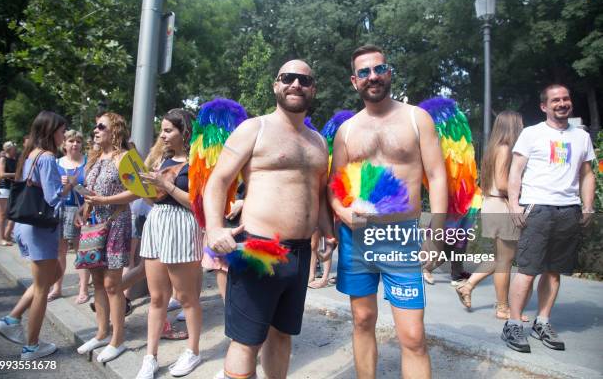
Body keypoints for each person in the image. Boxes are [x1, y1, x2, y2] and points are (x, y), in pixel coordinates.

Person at [205, 59, 334, 379]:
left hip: (301, 252)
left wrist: (328, 233)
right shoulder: (254, 128)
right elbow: (218, 182)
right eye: (288, 78)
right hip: (259, 248)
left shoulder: (318, 141)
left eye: (304, 80)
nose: (296, 85)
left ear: (313, 89)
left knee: (281, 334)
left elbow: (317, 195)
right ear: (276, 84)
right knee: (247, 341)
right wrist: (213, 228)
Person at [328, 45, 447, 379]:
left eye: (379, 69)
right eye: (364, 72)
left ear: (389, 72)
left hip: (402, 237)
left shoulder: (415, 118)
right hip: (357, 237)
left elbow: (437, 177)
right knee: (363, 320)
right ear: (355, 81)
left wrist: (436, 237)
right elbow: (334, 187)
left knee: (412, 336)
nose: (373, 77)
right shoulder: (347, 130)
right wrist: (341, 212)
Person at [502, 84, 596, 353]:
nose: (562, 103)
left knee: (554, 271)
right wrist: (514, 205)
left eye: (566, 99)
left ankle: (542, 322)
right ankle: (513, 325)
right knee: (528, 271)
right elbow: (515, 172)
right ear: (544, 106)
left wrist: (587, 207)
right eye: (556, 100)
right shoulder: (531, 134)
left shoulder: (581, 137)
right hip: (538, 209)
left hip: (569, 210)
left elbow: (587, 173)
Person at [0, 111, 68, 360]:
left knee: (52, 276)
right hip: (40, 228)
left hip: (28, 226)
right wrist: (69, 184)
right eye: (61, 130)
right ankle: (32, 346)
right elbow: (53, 198)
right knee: (42, 289)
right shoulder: (47, 158)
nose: (64, 135)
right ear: (50, 131)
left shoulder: (30, 156)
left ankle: (11, 319)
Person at [135, 108, 204, 378]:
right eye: (162, 130)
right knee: (157, 297)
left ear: (184, 131)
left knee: (186, 297)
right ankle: (150, 357)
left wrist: (167, 184)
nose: (162, 135)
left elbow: (197, 203)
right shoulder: (158, 160)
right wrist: (148, 189)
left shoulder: (198, 161)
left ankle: (193, 351)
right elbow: (154, 200)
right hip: (157, 223)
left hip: (183, 225)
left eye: (168, 130)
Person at [455, 111, 529, 321]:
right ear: (513, 126)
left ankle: (467, 285)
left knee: (500, 258)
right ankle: (503, 307)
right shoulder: (505, 150)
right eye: (520, 123)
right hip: (502, 206)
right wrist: (527, 190)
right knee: (505, 260)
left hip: (491, 203)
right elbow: (504, 183)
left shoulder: (493, 149)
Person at [75, 112, 135, 363]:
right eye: (95, 125)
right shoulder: (96, 157)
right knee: (97, 282)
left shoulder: (125, 158)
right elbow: (91, 191)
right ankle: (102, 333)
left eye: (101, 126)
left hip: (116, 223)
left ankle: (117, 339)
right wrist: (83, 209)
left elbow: (138, 192)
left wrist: (105, 201)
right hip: (94, 223)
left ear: (116, 131)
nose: (95, 130)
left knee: (113, 284)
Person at [48, 129, 89, 303]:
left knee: (82, 251)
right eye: (71, 141)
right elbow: (50, 188)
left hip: (81, 210)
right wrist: (61, 184)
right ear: (64, 144)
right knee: (60, 251)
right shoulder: (56, 163)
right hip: (60, 209)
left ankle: (83, 289)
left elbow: (92, 190)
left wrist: (77, 185)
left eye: (78, 141)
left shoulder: (87, 163)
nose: (75, 144)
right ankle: (57, 287)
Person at [0, 141, 18, 246]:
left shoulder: (14, 160)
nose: (16, 150)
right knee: (2, 214)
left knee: (12, 213)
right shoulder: (3, 159)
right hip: (4, 188)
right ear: (9, 149)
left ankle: (8, 235)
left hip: (13, 187)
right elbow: (1, 174)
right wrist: (16, 174)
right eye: (14, 148)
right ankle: (1, 238)